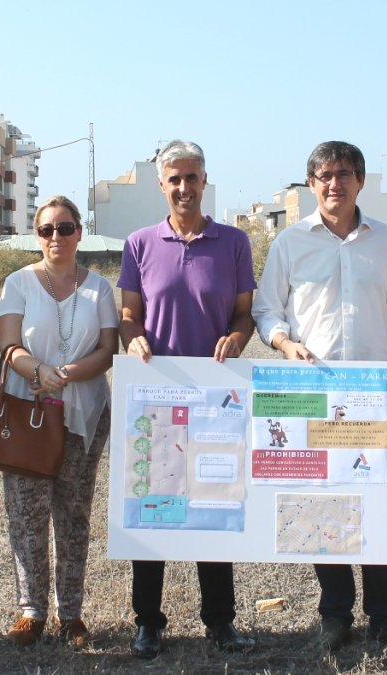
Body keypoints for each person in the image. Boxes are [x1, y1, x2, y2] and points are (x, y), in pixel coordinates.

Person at [252, 140, 387, 653]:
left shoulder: (384, 240)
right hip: (313, 395)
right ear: (311, 184)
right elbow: (267, 311)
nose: (335, 183)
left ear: (361, 181)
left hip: (372, 398)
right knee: (322, 505)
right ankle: (335, 615)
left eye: (345, 174)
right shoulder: (290, 243)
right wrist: (285, 341)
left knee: (379, 505)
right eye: (325, 175)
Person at [118, 139, 257, 658]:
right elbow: (129, 314)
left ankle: (220, 620)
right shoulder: (138, 244)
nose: (183, 187)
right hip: (155, 397)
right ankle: (147, 622)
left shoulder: (234, 242)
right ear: (162, 185)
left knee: (213, 506)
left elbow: (245, 313)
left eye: (192, 177)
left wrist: (239, 338)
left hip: (217, 400)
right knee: (151, 508)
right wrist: (132, 336)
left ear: (204, 181)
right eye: (174, 179)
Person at [0, 195, 118, 648]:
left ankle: (71, 613)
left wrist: (67, 376)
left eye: (65, 228)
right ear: (37, 234)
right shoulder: (18, 283)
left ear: (79, 233)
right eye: (47, 230)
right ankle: (31, 611)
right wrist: (39, 372)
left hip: (84, 414)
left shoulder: (100, 289)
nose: (56, 238)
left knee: (74, 513)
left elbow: (107, 350)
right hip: (28, 413)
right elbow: (8, 344)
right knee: (27, 514)